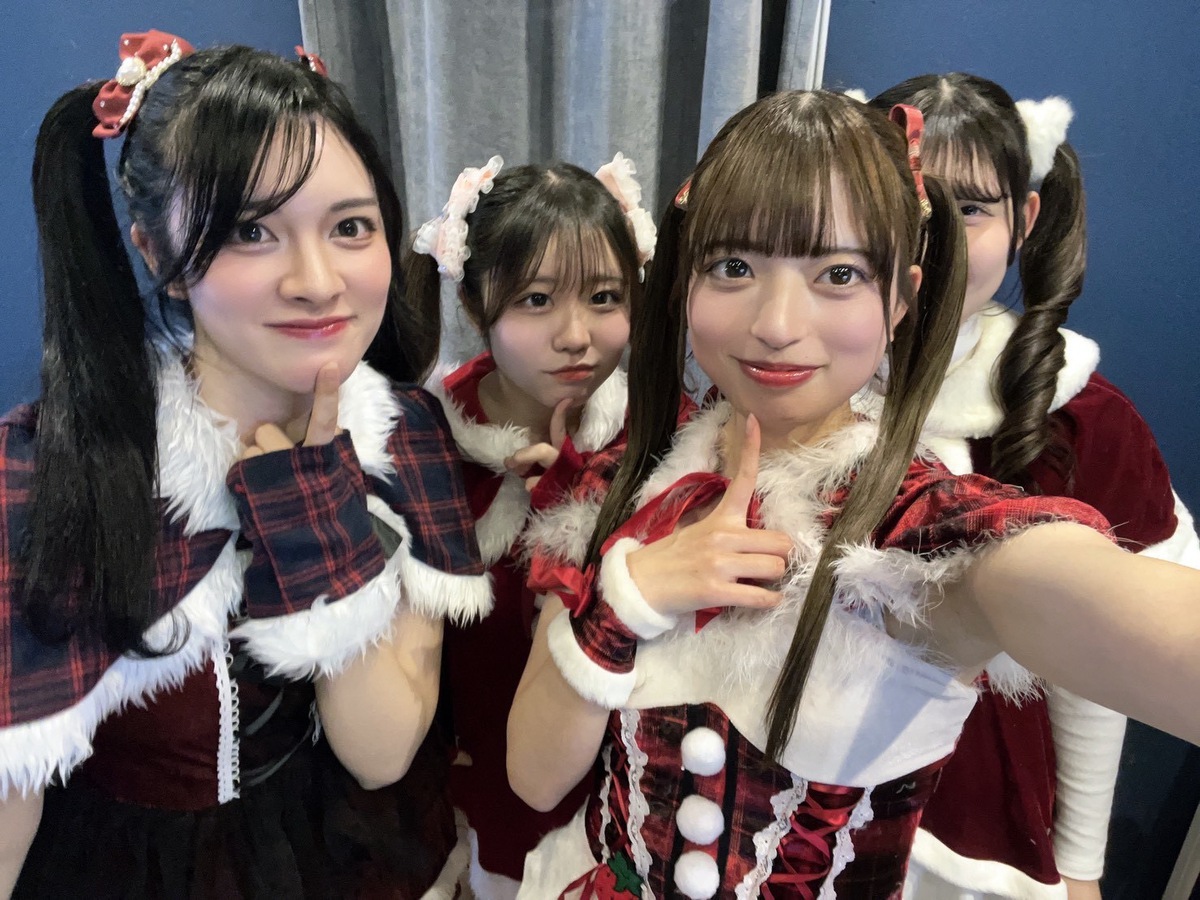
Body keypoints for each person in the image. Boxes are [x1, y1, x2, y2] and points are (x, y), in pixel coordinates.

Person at [505, 89, 1200, 898]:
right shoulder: (622, 483)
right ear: (686, 280)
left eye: (838, 274)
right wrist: (629, 600)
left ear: (900, 297)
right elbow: (535, 778)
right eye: (734, 267)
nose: (776, 323)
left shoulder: (917, 536)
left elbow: (1083, 591)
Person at [0, 32, 490, 898]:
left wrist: (318, 518)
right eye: (251, 230)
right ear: (157, 253)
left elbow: (381, 753)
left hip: (346, 860)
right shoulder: (49, 470)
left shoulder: (406, 432)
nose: (318, 281)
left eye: (350, 227)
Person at [861, 73, 1200, 900]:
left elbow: (1100, 663)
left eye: (970, 208)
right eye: (901, 204)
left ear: (1025, 219)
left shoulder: (1082, 421)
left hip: (966, 833)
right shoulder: (779, 378)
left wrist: (1079, 865)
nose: (931, 237)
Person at [407, 154, 657, 897]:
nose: (576, 336)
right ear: (474, 304)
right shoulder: (423, 445)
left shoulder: (662, 439)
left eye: (604, 297)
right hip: (472, 811)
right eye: (537, 299)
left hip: (626, 818)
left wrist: (577, 500)